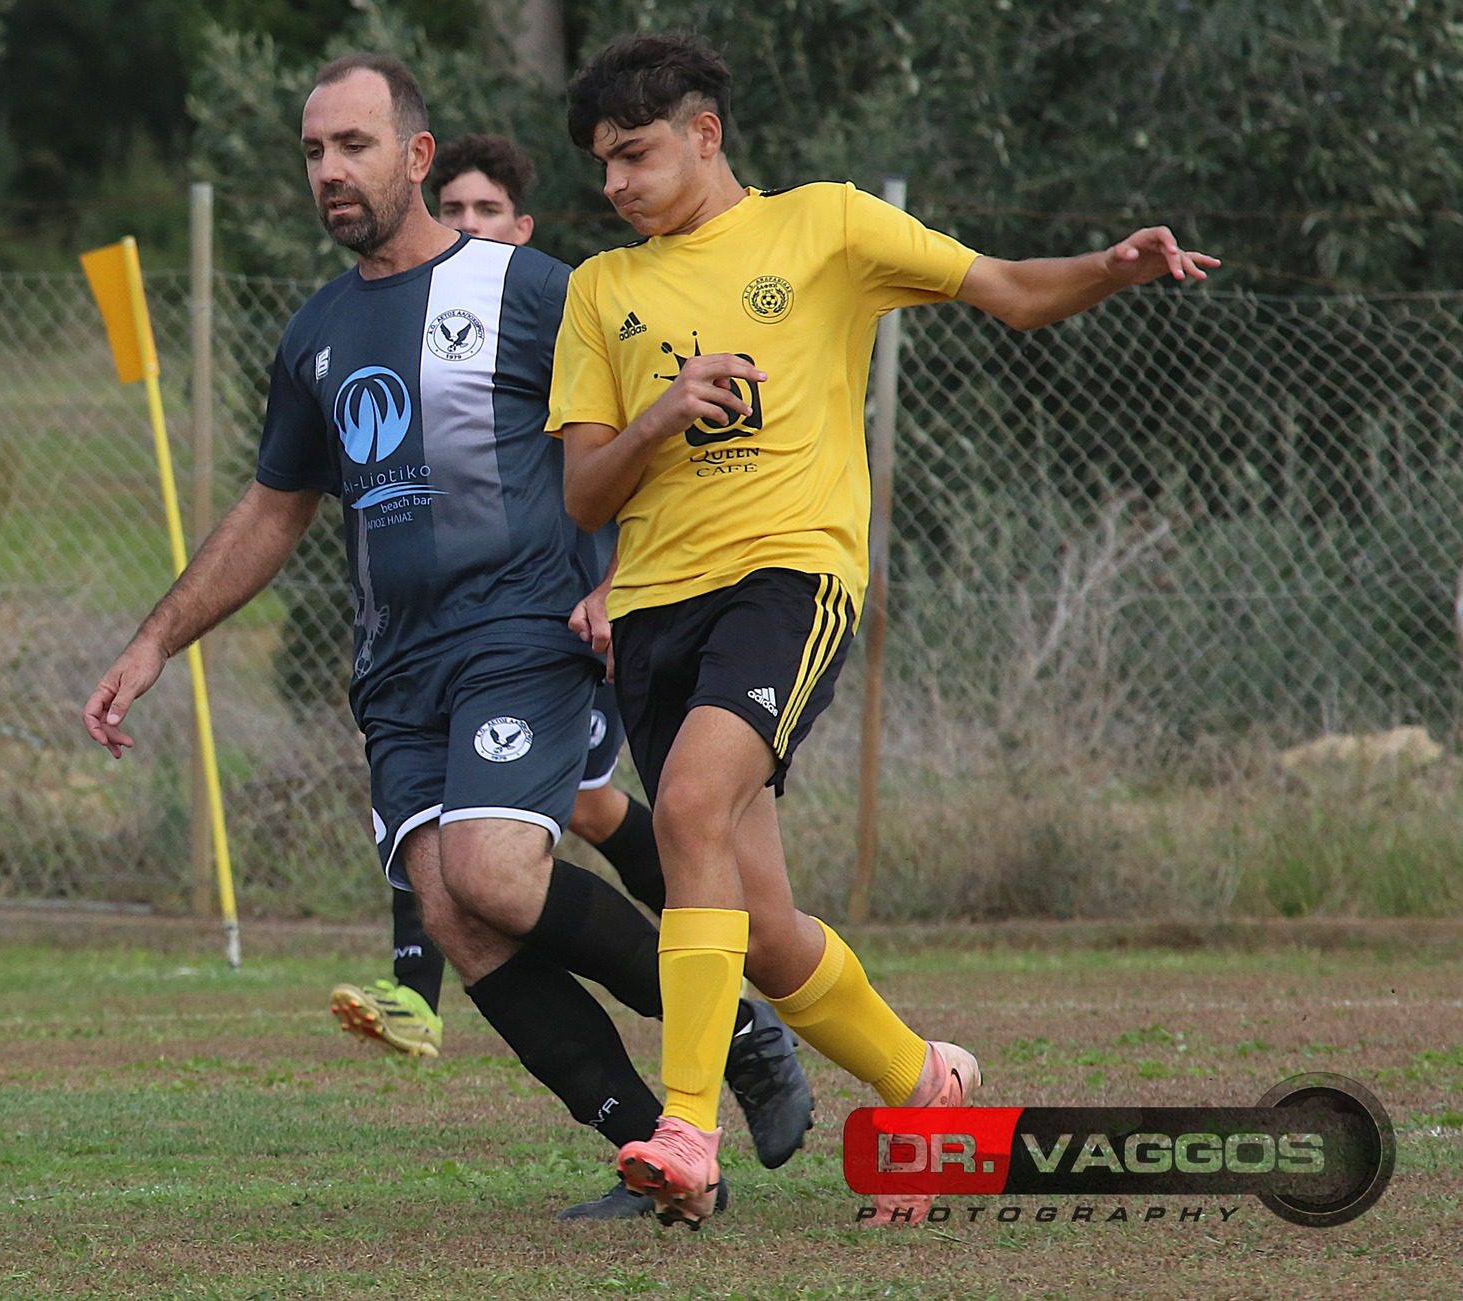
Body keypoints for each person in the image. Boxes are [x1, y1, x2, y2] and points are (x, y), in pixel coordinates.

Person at [82, 55, 808, 1223]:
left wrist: (620, 579)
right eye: (314, 150)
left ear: (416, 157)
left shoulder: (527, 288)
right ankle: (654, 1159)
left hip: (520, 630)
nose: (330, 170)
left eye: (353, 145)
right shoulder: (316, 332)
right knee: (456, 915)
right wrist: (155, 641)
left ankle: (739, 1035)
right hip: (397, 668)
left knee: (491, 872)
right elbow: (273, 509)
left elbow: (636, 435)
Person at [549, 33, 1218, 1228]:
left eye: (635, 155)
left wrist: (1110, 268)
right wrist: (661, 410)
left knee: (690, 808)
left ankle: (686, 1130)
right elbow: (585, 495)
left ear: (704, 135)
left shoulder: (827, 226)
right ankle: (926, 1083)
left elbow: (1009, 292)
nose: (615, 184)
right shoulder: (601, 289)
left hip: (789, 578)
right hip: (652, 610)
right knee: (757, 930)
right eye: (602, 164)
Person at [330, 132, 672, 1068]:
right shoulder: (376, 326)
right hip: (433, 652)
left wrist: (615, 579)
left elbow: (637, 447)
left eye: (490, 214)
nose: (471, 228)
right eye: (458, 210)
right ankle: (417, 990)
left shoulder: (549, 305)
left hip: (556, 626)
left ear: (520, 228)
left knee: (581, 813)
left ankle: (715, 957)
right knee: (466, 857)